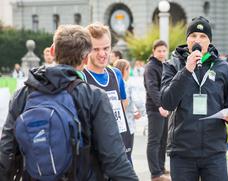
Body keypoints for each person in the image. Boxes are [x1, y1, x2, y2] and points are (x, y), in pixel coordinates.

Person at [0, 24, 138, 181]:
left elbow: (6, 152)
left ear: (52, 51)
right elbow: (115, 161)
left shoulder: (23, 95)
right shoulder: (93, 97)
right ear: (85, 59)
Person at [160, 16, 228, 181]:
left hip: (214, 151)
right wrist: (186, 70)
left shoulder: (223, 67)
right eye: (193, 35)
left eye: (203, 36)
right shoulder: (172, 65)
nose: (198, 40)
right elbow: (167, 102)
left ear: (209, 41)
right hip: (182, 151)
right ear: (187, 39)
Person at [82, 23, 133, 163]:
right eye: (95, 49)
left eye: (106, 48)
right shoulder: (81, 77)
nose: (102, 54)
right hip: (98, 153)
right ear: (86, 50)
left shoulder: (116, 74)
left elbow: (123, 104)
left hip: (122, 145)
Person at [144, 40, 170, 181]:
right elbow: (152, 88)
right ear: (154, 51)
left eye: (164, 51)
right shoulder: (151, 67)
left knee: (163, 140)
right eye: (159, 51)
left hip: (165, 108)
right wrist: (160, 106)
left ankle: (161, 167)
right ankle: (155, 174)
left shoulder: (164, 65)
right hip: (155, 109)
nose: (161, 53)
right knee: (154, 141)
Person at [114, 59, 146, 162]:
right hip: (127, 125)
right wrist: (142, 112)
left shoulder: (112, 85)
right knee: (127, 157)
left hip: (114, 126)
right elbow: (137, 101)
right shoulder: (127, 84)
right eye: (128, 70)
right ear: (124, 70)